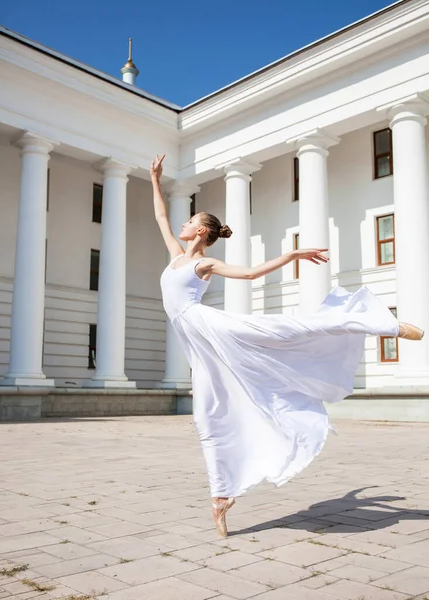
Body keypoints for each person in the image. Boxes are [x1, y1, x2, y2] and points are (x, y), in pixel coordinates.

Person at [151, 154, 423, 537]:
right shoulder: (177, 257)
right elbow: (162, 217)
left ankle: (382, 324)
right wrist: (154, 179)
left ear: (201, 233)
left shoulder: (204, 265)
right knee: (207, 414)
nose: (183, 223)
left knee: (285, 331)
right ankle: (221, 497)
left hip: (210, 327)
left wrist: (291, 255)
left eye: (191, 221)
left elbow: (248, 273)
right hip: (196, 344)